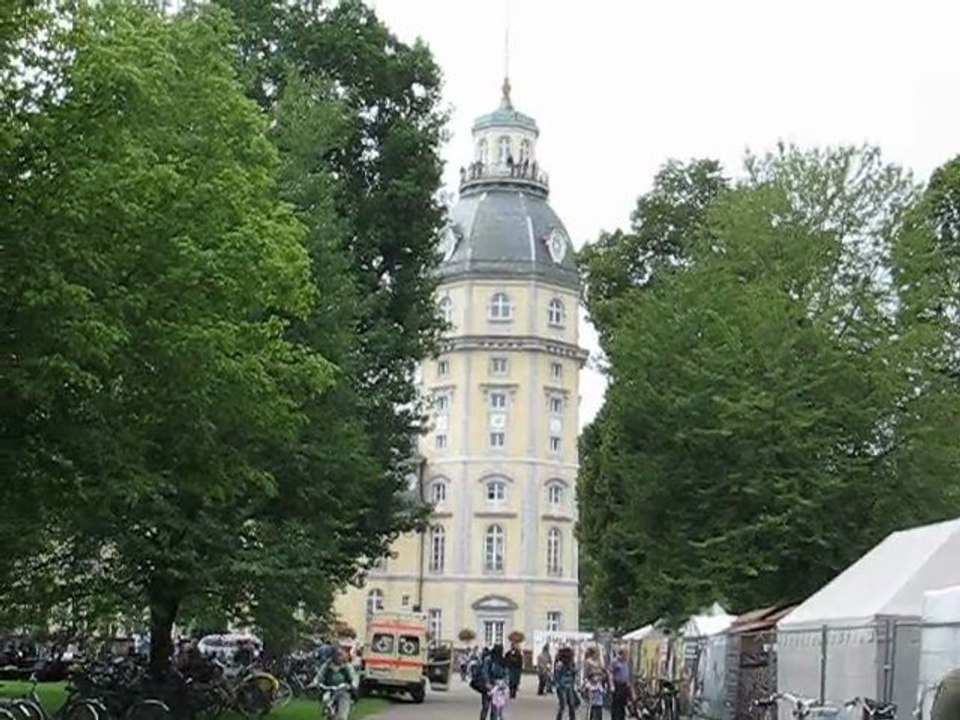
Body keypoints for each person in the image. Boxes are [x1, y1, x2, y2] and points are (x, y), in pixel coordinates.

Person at [314, 648, 358, 720]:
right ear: (333, 656)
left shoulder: (346, 666)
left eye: (341, 655)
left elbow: (353, 676)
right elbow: (319, 675)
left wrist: (353, 684)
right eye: (337, 655)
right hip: (329, 690)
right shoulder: (327, 665)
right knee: (325, 699)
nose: (339, 657)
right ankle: (327, 714)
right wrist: (315, 682)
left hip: (343, 691)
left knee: (342, 715)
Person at [474, 645, 506, 720]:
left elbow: (505, 672)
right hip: (488, 686)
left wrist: (504, 682)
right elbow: (484, 672)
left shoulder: (502, 660)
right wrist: (487, 683)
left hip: (497, 686)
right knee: (486, 706)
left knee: (495, 707)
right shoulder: (488, 659)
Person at [553, 646, 579, 720]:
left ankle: (572, 718)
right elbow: (557, 675)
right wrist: (558, 685)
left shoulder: (571, 664)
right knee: (563, 705)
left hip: (569, 686)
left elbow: (573, 674)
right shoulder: (560, 664)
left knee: (571, 704)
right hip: (562, 687)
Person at [609, 647, 631, 720]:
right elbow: (610, 673)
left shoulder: (625, 662)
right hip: (617, 685)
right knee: (616, 705)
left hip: (624, 686)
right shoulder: (615, 661)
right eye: (626, 653)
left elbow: (626, 674)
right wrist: (612, 685)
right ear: (622, 653)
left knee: (622, 705)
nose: (627, 655)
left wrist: (628, 684)